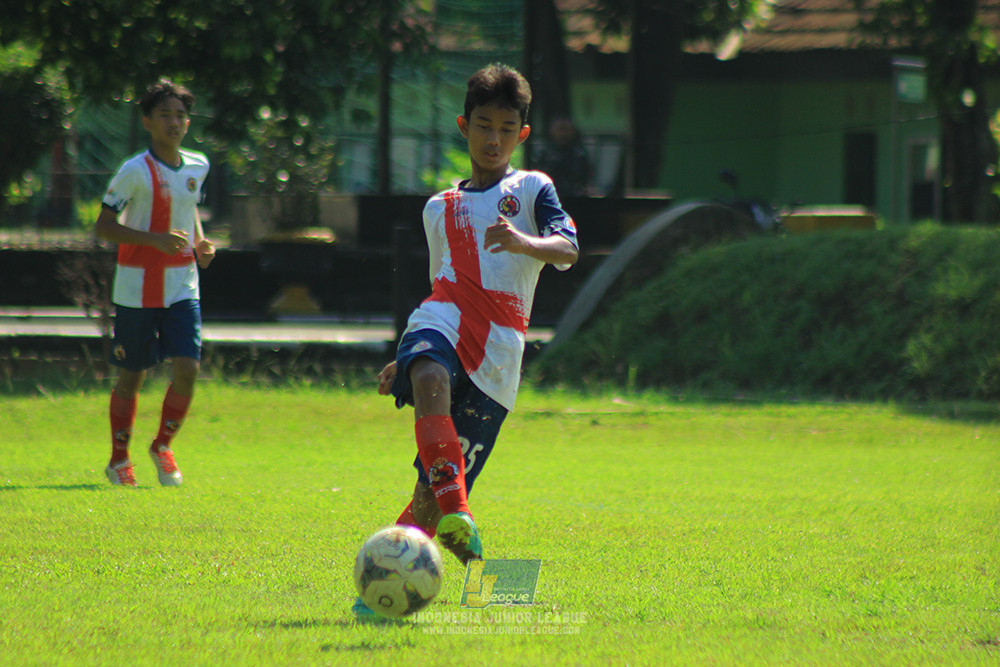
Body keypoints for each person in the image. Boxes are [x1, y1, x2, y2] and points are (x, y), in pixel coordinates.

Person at [354, 63, 579, 616]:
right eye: (484, 125)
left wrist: (525, 242)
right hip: (445, 321)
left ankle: (429, 578)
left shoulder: (532, 188)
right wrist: (405, 357)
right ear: (464, 126)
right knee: (429, 375)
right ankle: (460, 511)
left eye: (506, 128)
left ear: (521, 135)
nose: (494, 138)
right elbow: (441, 285)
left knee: (430, 502)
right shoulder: (439, 208)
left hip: (501, 352)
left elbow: (568, 249)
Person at [95, 79, 215, 487]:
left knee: (188, 369)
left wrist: (200, 242)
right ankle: (118, 459)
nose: (174, 122)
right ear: (148, 121)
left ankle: (162, 445)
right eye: (164, 114)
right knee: (133, 376)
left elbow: (189, 210)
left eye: (180, 115)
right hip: (136, 287)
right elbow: (103, 227)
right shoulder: (134, 171)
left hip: (183, 284)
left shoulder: (198, 165)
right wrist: (154, 241)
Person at [533, 116, 592, 196]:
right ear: (552, 131)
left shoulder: (579, 155)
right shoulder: (544, 155)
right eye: (561, 129)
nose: (564, 134)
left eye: (567, 130)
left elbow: (587, 179)